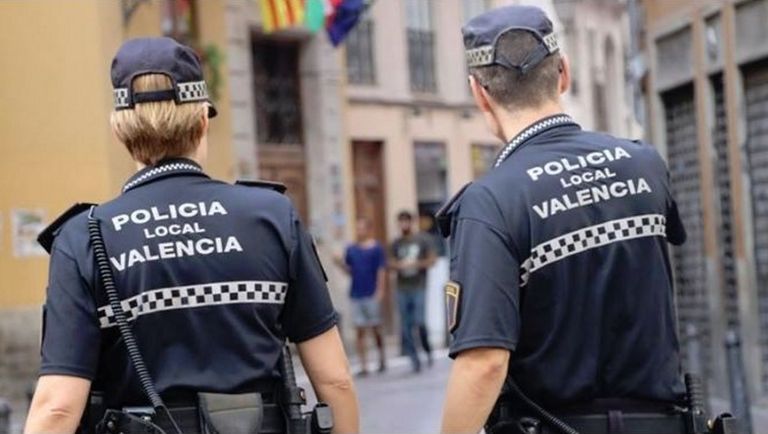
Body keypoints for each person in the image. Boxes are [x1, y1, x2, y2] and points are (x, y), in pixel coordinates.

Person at [25, 37, 358, 434]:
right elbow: (335, 381)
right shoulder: (271, 216)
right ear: (202, 121)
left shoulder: (84, 237)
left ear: (119, 131)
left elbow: (58, 408)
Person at [439, 6, 690, 434]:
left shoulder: (491, 202)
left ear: (479, 93)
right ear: (564, 73)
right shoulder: (645, 164)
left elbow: (484, 364)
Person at [333, 217, 387, 377]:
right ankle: (364, 364)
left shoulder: (376, 248)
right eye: (357, 228)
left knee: (376, 328)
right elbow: (349, 270)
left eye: (362, 228)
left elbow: (381, 270)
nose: (359, 231)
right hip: (356, 293)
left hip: (371, 293)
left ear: (368, 230)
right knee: (359, 329)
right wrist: (339, 263)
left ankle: (381, 358)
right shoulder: (351, 249)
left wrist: (380, 290)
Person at [390, 210, 437, 373]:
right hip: (402, 288)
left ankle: (427, 348)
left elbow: (432, 260)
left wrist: (415, 264)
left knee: (420, 322)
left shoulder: (422, 239)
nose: (403, 224)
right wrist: (399, 265)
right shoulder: (396, 243)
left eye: (406, 221)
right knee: (406, 326)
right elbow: (390, 262)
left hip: (419, 286)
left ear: (411, 222)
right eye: (400, 222)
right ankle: (414, 359)